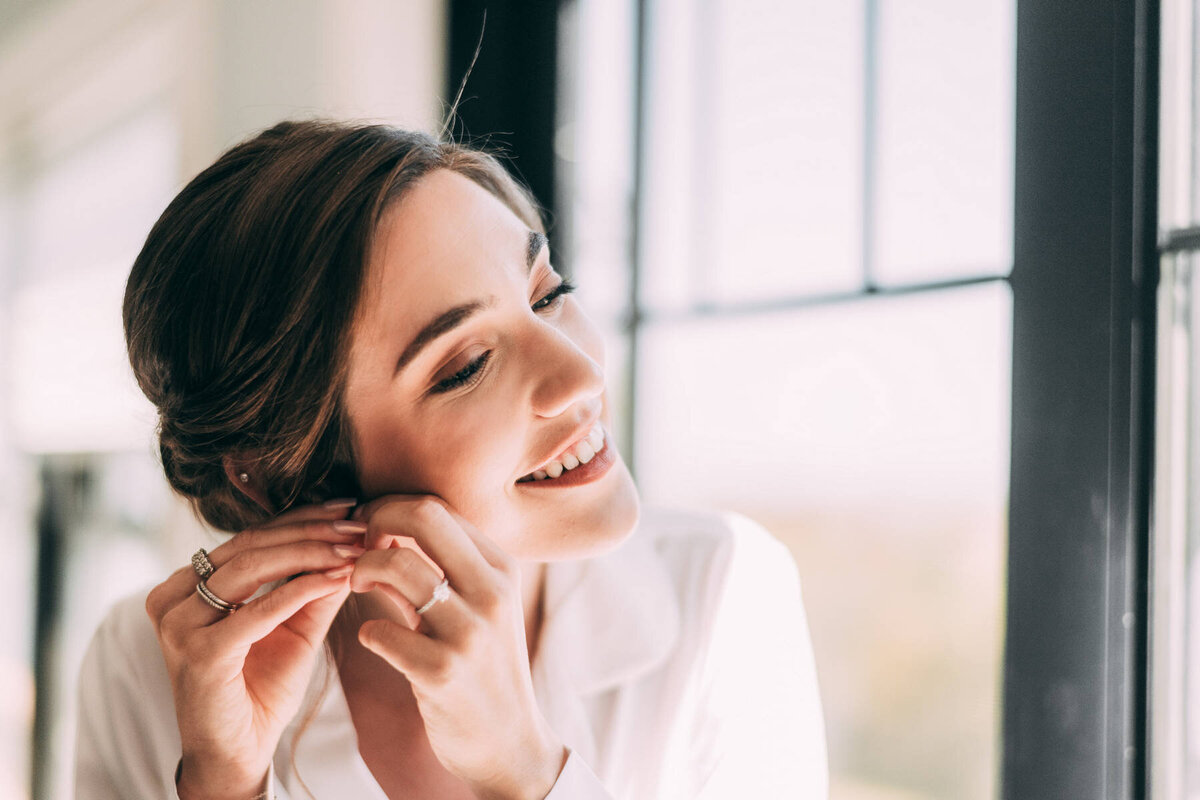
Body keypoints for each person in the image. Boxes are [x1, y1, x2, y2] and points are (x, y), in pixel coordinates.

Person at [74, 120, 828, 799]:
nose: (582, 376)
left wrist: (528, 772)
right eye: (466, 365)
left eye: (546, 294)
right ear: (292, 473)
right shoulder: (146, 668)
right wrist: (223, 788)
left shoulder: (723, 589)